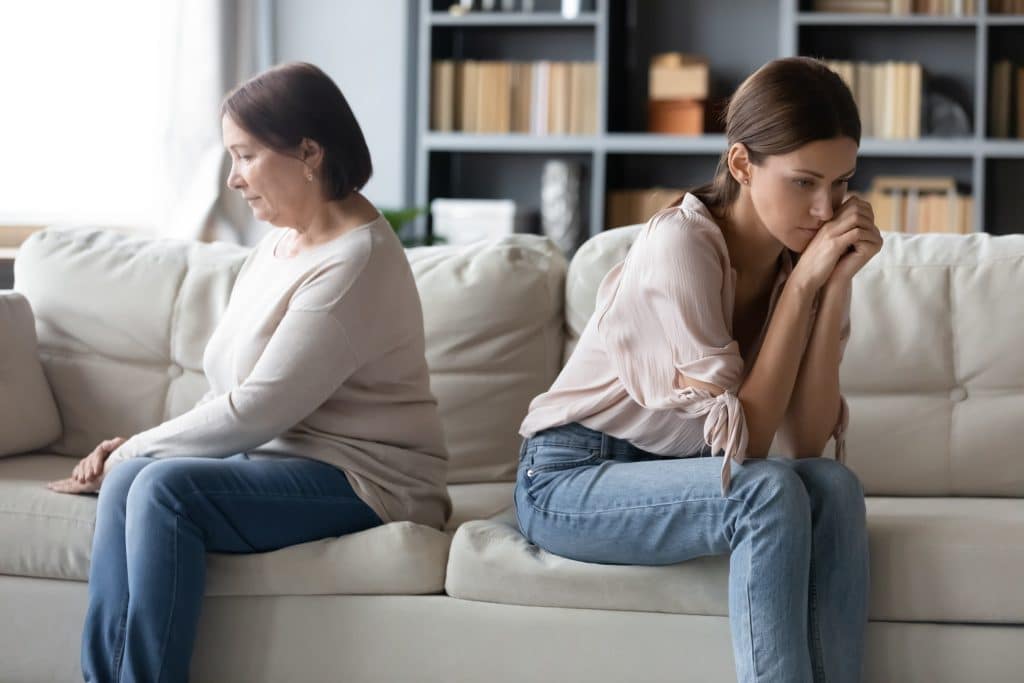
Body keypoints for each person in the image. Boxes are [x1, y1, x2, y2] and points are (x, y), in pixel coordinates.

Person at [45, 61, 452, 682]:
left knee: (158, 486)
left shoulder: (353, 264)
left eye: (245, 156)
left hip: (369, 481)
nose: (233, 180)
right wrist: (139, 453)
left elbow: (257, 409)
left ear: (309, 152)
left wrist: (136, 449)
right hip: (274, 462)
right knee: (135, 481)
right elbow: (229, 392)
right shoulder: (282, 242)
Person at [515, 56, 881, 683]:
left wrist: (834, 287)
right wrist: (802, 293)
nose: (827, 208)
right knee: (765, 493)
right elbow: (753, 451)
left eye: (841, 183)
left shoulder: (807, 261)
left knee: (833, 486)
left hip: (670, 472)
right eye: (803, 182)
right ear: (742, 164)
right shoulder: (681, 246)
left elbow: (802, 441)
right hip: (572, 477)